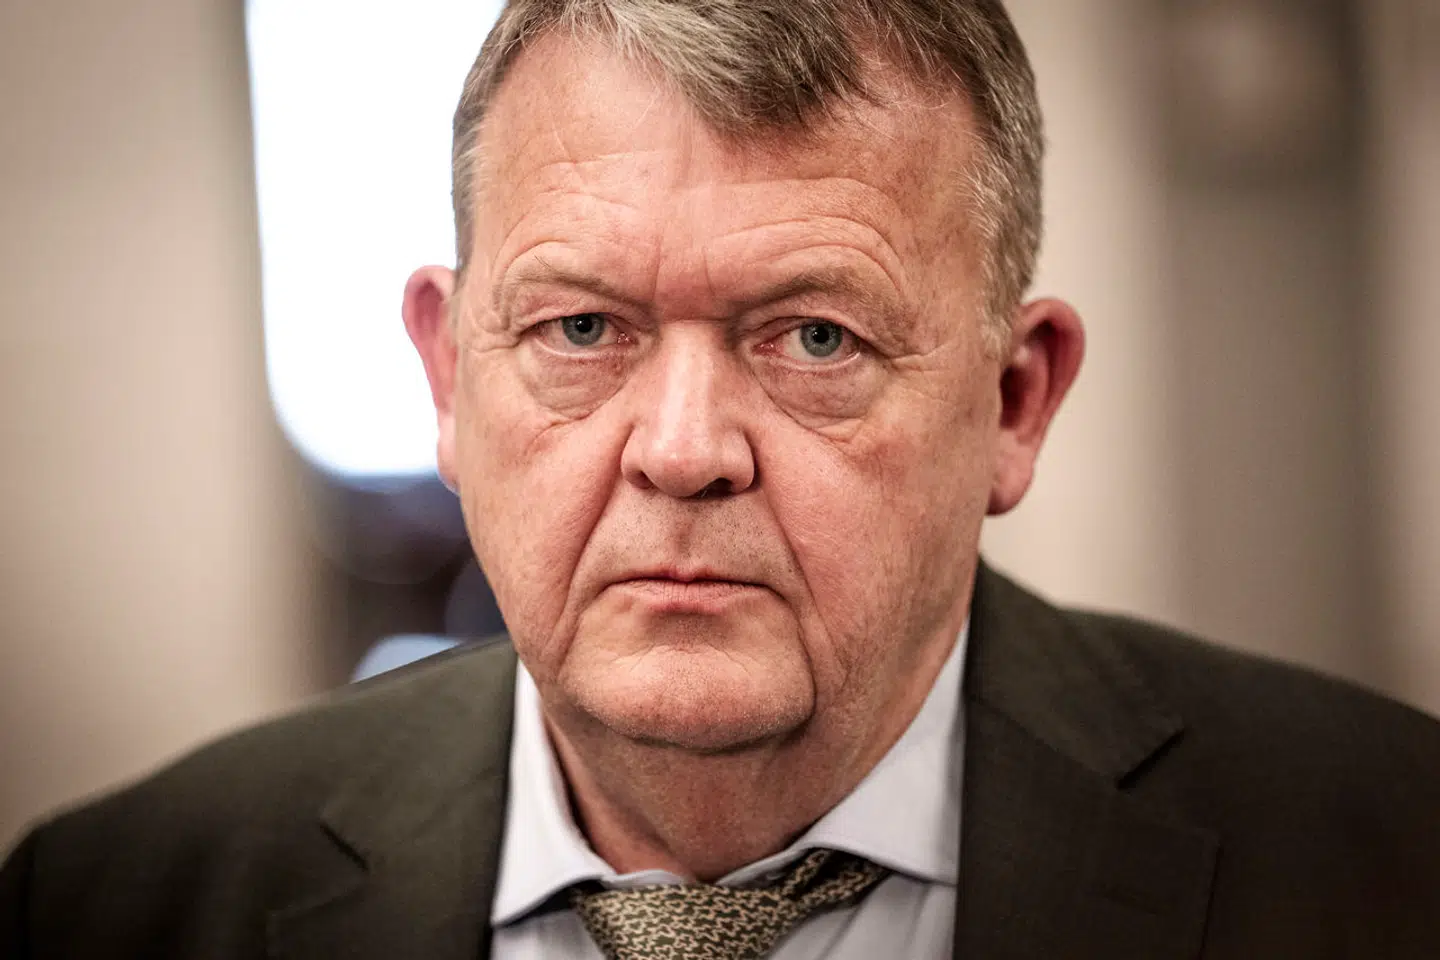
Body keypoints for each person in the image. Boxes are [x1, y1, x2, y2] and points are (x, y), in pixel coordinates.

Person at [4, 1, 1439, 956]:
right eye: (581, 330)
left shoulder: (1390, 862)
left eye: (816, 337)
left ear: (1014, 402)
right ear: (447, 379)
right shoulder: (116, 908)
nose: (684, 451)